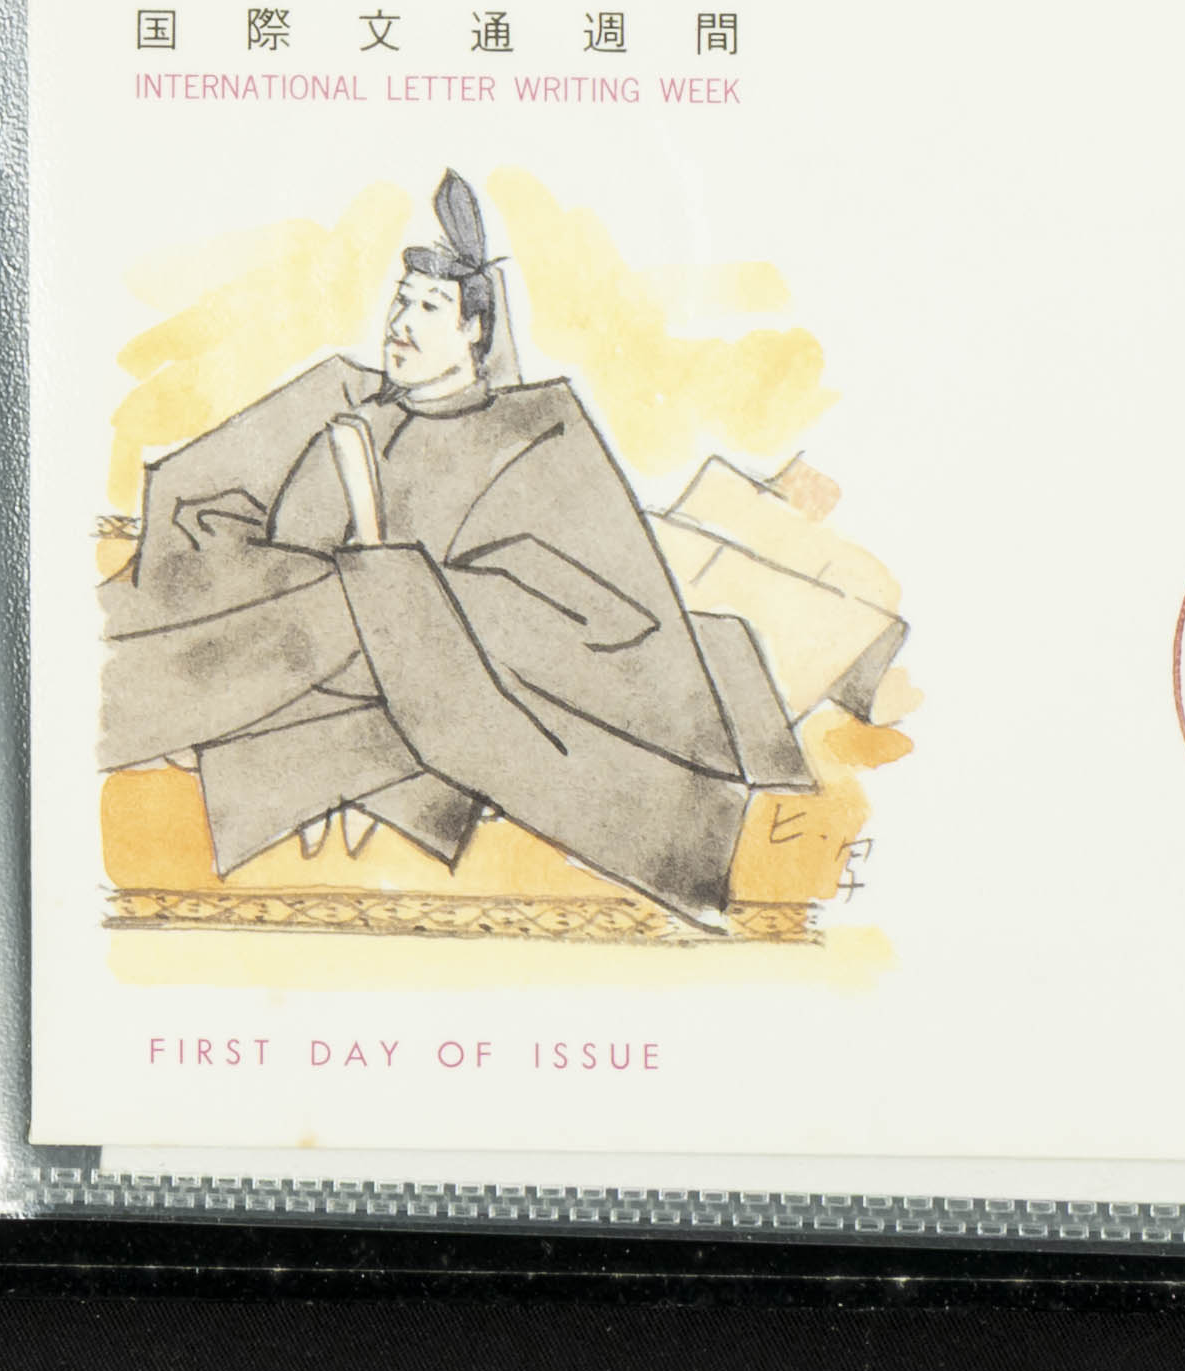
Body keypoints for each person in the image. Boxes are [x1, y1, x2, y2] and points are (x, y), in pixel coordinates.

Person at [96, 173, 809, 933]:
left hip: (460, 668)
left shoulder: (536, 433)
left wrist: (377, 548)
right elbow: (266, 544)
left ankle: (143, 696)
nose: (400, 325)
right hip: (334, 652)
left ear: (475, 330)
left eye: (429, 308)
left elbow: (584, 605)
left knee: (326, 620)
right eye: (399, 303)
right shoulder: (350, 409)